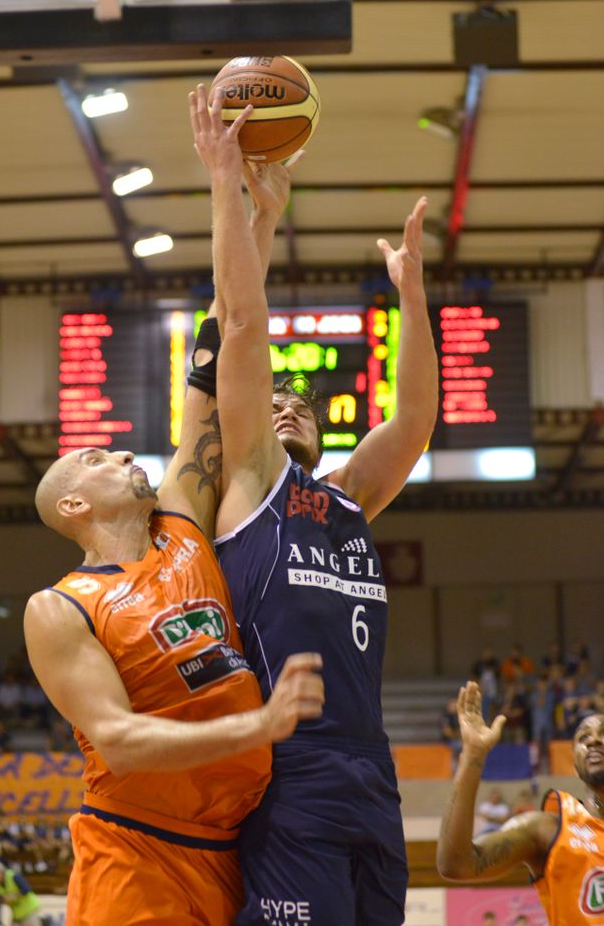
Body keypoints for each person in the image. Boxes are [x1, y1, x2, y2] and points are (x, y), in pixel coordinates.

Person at [189, 82, 438, 925]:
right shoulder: (253, 484)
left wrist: (410, 295)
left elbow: (412, 421)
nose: (287, 403)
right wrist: (229, 187)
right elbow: (245, 326)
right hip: (290, 768)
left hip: (373, 769)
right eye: (275, 399)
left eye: (304, 402)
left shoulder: (346, 498)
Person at [25, 271, 325, 924]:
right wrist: (262, 725)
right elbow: (119, 741)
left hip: (227, 851)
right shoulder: (60, 606)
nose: (124, 451)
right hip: (134, 852)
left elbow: (207, 376)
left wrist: (244, 208)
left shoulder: (182, 522)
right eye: (98, 457)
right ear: (74, 504)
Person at [437, 681, 604, 924]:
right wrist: (472, 755)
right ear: (576, 767)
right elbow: (456, 864)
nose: (593, 741)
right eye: (583, 737)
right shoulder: (547, 830)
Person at [0, 861, 40, 926]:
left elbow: (27, 889)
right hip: (16, 915)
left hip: (29, 911)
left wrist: (14, 896)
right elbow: (2, 898)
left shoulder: (14, 876)